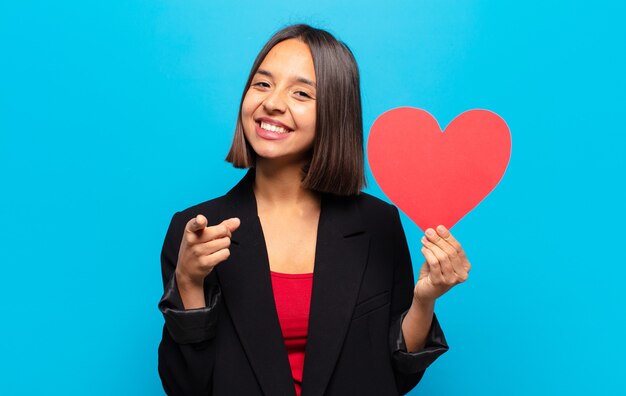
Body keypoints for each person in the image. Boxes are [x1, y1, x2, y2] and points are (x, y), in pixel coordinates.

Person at [158, 24, 471, 396]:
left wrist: (425, 299)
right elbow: (186, 386)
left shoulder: (378, 224)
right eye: (262, 84)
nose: (272, 103)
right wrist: (190, 284)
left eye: (302, 92)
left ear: (335, 112)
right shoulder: (196, 230)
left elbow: (395, 373)